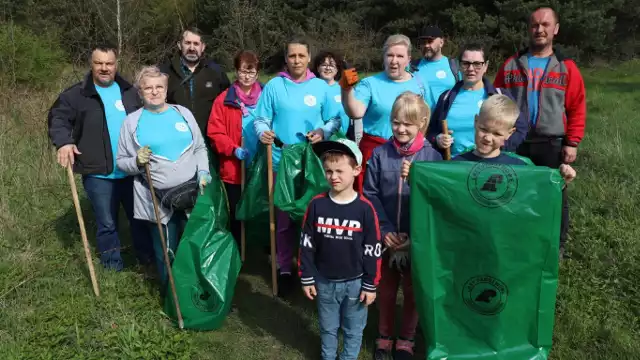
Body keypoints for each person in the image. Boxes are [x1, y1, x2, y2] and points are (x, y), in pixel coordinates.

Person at [47, 43, 153, 271]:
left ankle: (147, 261)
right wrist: (64, 141)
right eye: (99, 63)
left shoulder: (130, 92)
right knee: (107, 223)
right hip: (98, 172)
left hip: (132, 169)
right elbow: (58, 118)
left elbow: (149, 119)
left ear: (116, 65)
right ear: (91, 64)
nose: (104, 68)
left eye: (109, 63)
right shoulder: (76, 95)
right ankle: (112, 265)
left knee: (141, 219)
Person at [493, 6, 586, 255]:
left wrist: (572, 142)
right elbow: (496, 100)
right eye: (534, 25)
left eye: (545, 25)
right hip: (516, 142)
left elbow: (577, 106)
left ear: (555, 29)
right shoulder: (511, 65)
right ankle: (518, 240)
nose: (539, 29)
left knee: (555, 193)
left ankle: (556, 244)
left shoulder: (566, 67)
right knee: (513, 192)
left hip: (552, 142)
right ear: (528, 29)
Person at [254, 36, 341, 296]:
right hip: (280, 162)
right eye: (292, 56)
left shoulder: (320, 87)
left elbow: (335, 119)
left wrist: (323, 131)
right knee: (282, 221)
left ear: (308, 57)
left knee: (311, 218)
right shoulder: (274, 86)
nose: (296, 60)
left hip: (313, 163)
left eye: (301, 56)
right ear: (286, 58)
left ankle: (308, 268)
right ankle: (284, 268)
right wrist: (262, 133)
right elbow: (261, 118)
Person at [363, 92, 442, 360]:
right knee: (384, 291)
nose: (401, 129)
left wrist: (415, 237)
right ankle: (384, 336)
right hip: (385, 240)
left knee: (412, 292)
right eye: (396, 122)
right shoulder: (380, 155)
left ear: (421, 123)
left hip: (416, 240)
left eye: (408, 124)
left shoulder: (433, 158)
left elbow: (436, 202)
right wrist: (384, 232)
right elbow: (370, 194)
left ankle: (407, 338)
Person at [116, 66, 212, 285]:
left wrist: (204, 172)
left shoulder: (182, 113)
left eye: (159, 86)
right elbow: (121, 162)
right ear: (140, 93)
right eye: (147, 88)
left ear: (166, 89)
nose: (154, 91)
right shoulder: (131, 122)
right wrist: (137, 161)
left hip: (191, 195)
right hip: (156, 200)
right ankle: (171, 295)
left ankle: (195, 293)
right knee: (166, 253)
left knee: (193, 246)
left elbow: (199, 148)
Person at [298, 138, 381, 360]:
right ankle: (328, 356)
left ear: (356, 170)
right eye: (328, 171)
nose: (333, 177)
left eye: (339, 171)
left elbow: (373, 250)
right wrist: (306, 276)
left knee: (354, 330)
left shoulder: (365, 209)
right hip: (324, 282)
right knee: (327, 327)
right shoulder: (317, 205)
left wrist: (370, 284)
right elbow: (306, 244)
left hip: (355, 283)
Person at [340, 34, 433, 193]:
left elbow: (426, 117)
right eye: (390, 55)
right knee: (372, 198)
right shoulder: (370, 83)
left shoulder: (420, 83)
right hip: (375, 151)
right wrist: (346, 90)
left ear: (408, 59)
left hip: (411, 155)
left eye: (399, 56)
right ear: (383, 57)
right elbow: (356, 111)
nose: (394, 60)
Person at [427, 43, 528, 157]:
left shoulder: (500, 95)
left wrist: (499, 146)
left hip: (489, 167)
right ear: (459, 65)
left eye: (477, 64)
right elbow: (431, 131)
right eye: (466, 63)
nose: (471, 69)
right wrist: (438, 139)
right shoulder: (446, 97)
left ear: (486, 66)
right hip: (454, 168)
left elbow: (521, 130)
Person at [207, 50, 263, 248]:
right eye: (242, 71)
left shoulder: (266, 96)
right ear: (236, 72)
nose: (246, 76)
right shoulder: (223, 100)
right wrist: (233, 149)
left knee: (262, 206)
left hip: (263, 164)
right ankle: (238, 248)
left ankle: (264, 246)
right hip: (235, 166)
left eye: (251, 72)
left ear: (257, 73)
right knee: (237, 210)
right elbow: (215, 132)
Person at [451, 95, 576, 182]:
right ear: (475, 121)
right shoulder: (455, 165)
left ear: (509, 133)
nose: (488, 138)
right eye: (483, 129)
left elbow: (540, 193)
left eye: (497, 134)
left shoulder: (520, 168)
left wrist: (561, 178)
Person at [160, 27, 231, 137]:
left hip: (209, 140)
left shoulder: (216, 72)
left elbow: (228, 106)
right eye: (187, 43)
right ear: (180, 45)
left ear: (203, 47)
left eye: (196, 44)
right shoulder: (165, 73)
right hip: (176, 138)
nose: (192, 48)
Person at [412, 25, 459, 103]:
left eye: (430, 41)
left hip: (446, 115)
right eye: (423, 42)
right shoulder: (412, 67)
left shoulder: (455, 67)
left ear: (441, 42)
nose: (426, 45)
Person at [312, 50, 352, 138]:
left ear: (337, 69)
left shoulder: (343, 88)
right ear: (318, 68)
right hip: (318, 137)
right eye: (324, 65)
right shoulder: (311, 88)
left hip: (343, 138)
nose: (328, 68)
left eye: (331, 65)